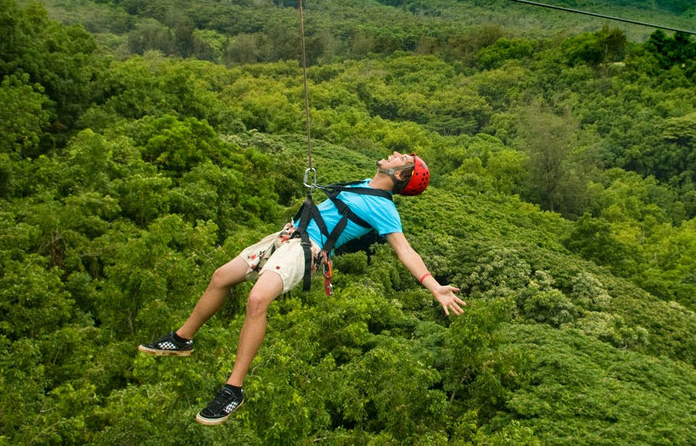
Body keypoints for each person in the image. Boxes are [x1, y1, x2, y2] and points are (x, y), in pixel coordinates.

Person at [138, 152, 466, 425]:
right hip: (288, 237)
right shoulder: (362, 185)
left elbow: (404, 250)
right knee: (221, 276)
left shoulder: (385, 209)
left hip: (306, 250)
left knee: (257, 299)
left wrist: (434, 287)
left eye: (402, 158)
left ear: (399, 177)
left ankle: (233, 390)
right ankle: (182, 339)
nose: (395, 154)